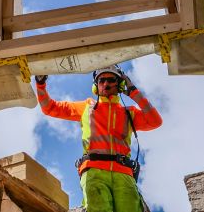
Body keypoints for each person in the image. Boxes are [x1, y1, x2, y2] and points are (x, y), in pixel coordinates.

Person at [35, 65, 162, 212]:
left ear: (120, 84)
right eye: (101, 80)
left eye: (111, 80)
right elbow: (49, 107)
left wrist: (134, 93)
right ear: (96, 85)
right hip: (94, 172)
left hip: (124, 174)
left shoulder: (129, 113)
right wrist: (40, 83)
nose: (106, 84)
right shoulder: (86, 107)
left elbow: (155, 121)